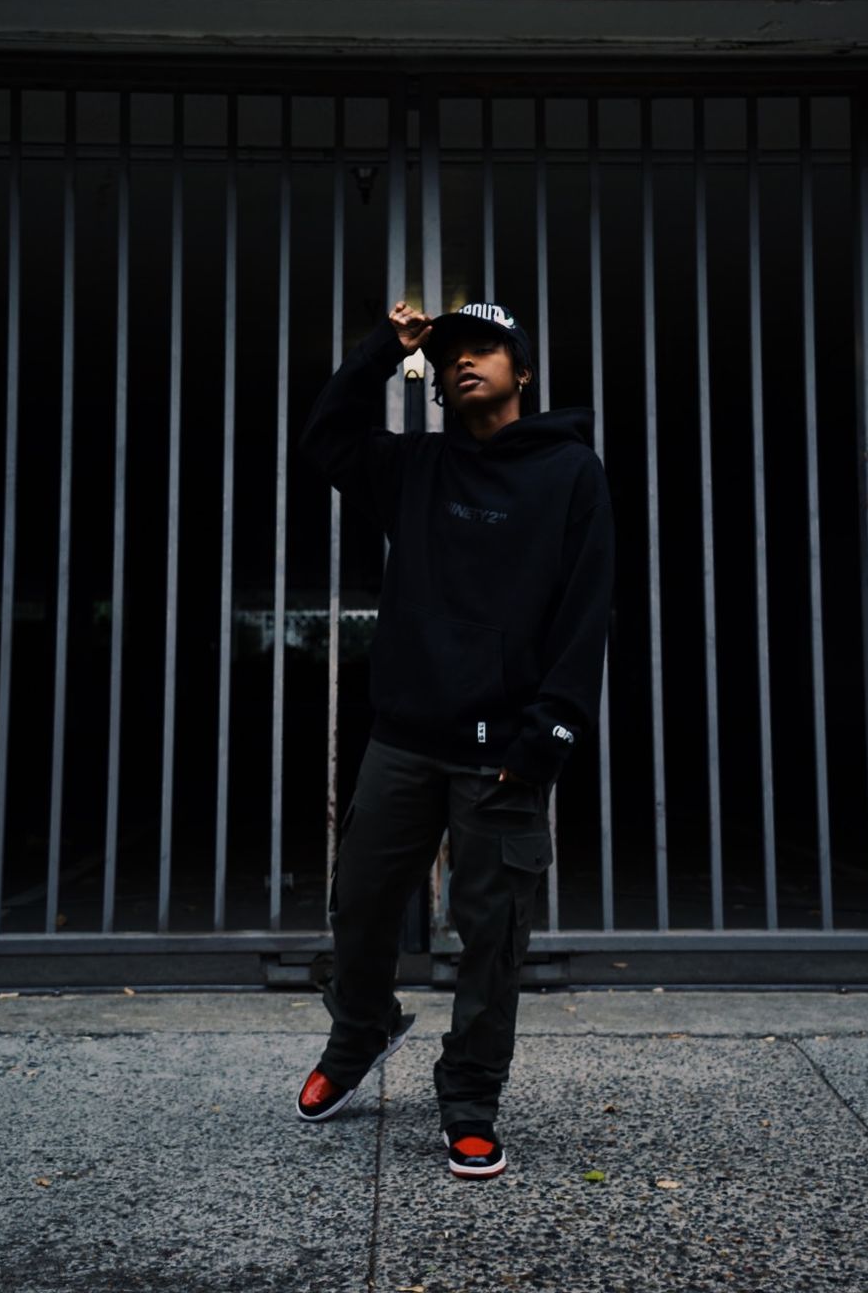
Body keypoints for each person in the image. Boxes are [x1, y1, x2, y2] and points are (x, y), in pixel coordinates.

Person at [295, 297, 614, 1178]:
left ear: (522, 371)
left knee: (491, 939)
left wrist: (548, 736)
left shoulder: (570, 473)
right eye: (451, 354)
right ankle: (361, 1032)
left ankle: (469, 1101)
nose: (464, 360)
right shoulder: (415, 468)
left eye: (485, 349)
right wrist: (381, 349)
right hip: (405, 737)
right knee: (359, 908)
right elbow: (325, 438)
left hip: (504, 750)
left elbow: (585, 611)